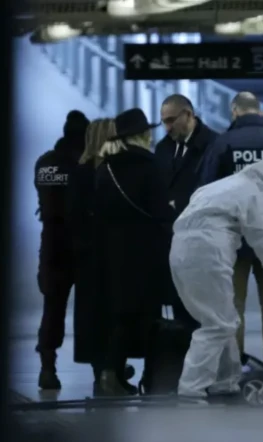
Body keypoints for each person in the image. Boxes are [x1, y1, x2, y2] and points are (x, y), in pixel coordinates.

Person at [170, 158, 263, 398]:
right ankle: (191, 389)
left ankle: (226, 382)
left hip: (179, 249)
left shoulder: (218, 186)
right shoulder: (254, 193)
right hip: (208, 251)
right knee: (218, 324)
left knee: (222, 319)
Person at [198, 91, 263, 370]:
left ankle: (234, 370)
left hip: (234, 240)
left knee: (234, 307)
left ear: (234, 112)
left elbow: (207, 191)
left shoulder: (223, 144)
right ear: (260, 112)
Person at [95, 108, 174, 395]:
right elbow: (160, 213)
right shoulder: (151, 166)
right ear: (142, 135)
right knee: (150, 318)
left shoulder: (106, 168)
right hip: (147, 253)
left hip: (114, 253)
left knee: (121, 317)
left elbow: (100, 212)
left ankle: (110, 374)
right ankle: (152, 379)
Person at [68, 118, 134, 389]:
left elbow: (72, 215)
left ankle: (101, 375)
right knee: (118, 313)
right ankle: (114, 371)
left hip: (87, 257)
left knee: (92, 316)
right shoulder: (118, 170)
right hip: (117, 254)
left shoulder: (80, 170)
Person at [155, 94, 224, 328]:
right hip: (172, 241)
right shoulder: (163, 148)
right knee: (179, 308)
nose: (167, 127)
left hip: (203, 241)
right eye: (164, 121)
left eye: (172, 120)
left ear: (188, 114)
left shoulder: (216, 146)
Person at [34, 110, 89, 390]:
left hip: (51, 246)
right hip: (80, 246)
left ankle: (47, 367)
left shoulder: (44, 163)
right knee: (91, 309)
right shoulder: (83, 165)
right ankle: (103, 369)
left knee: (52, 309)